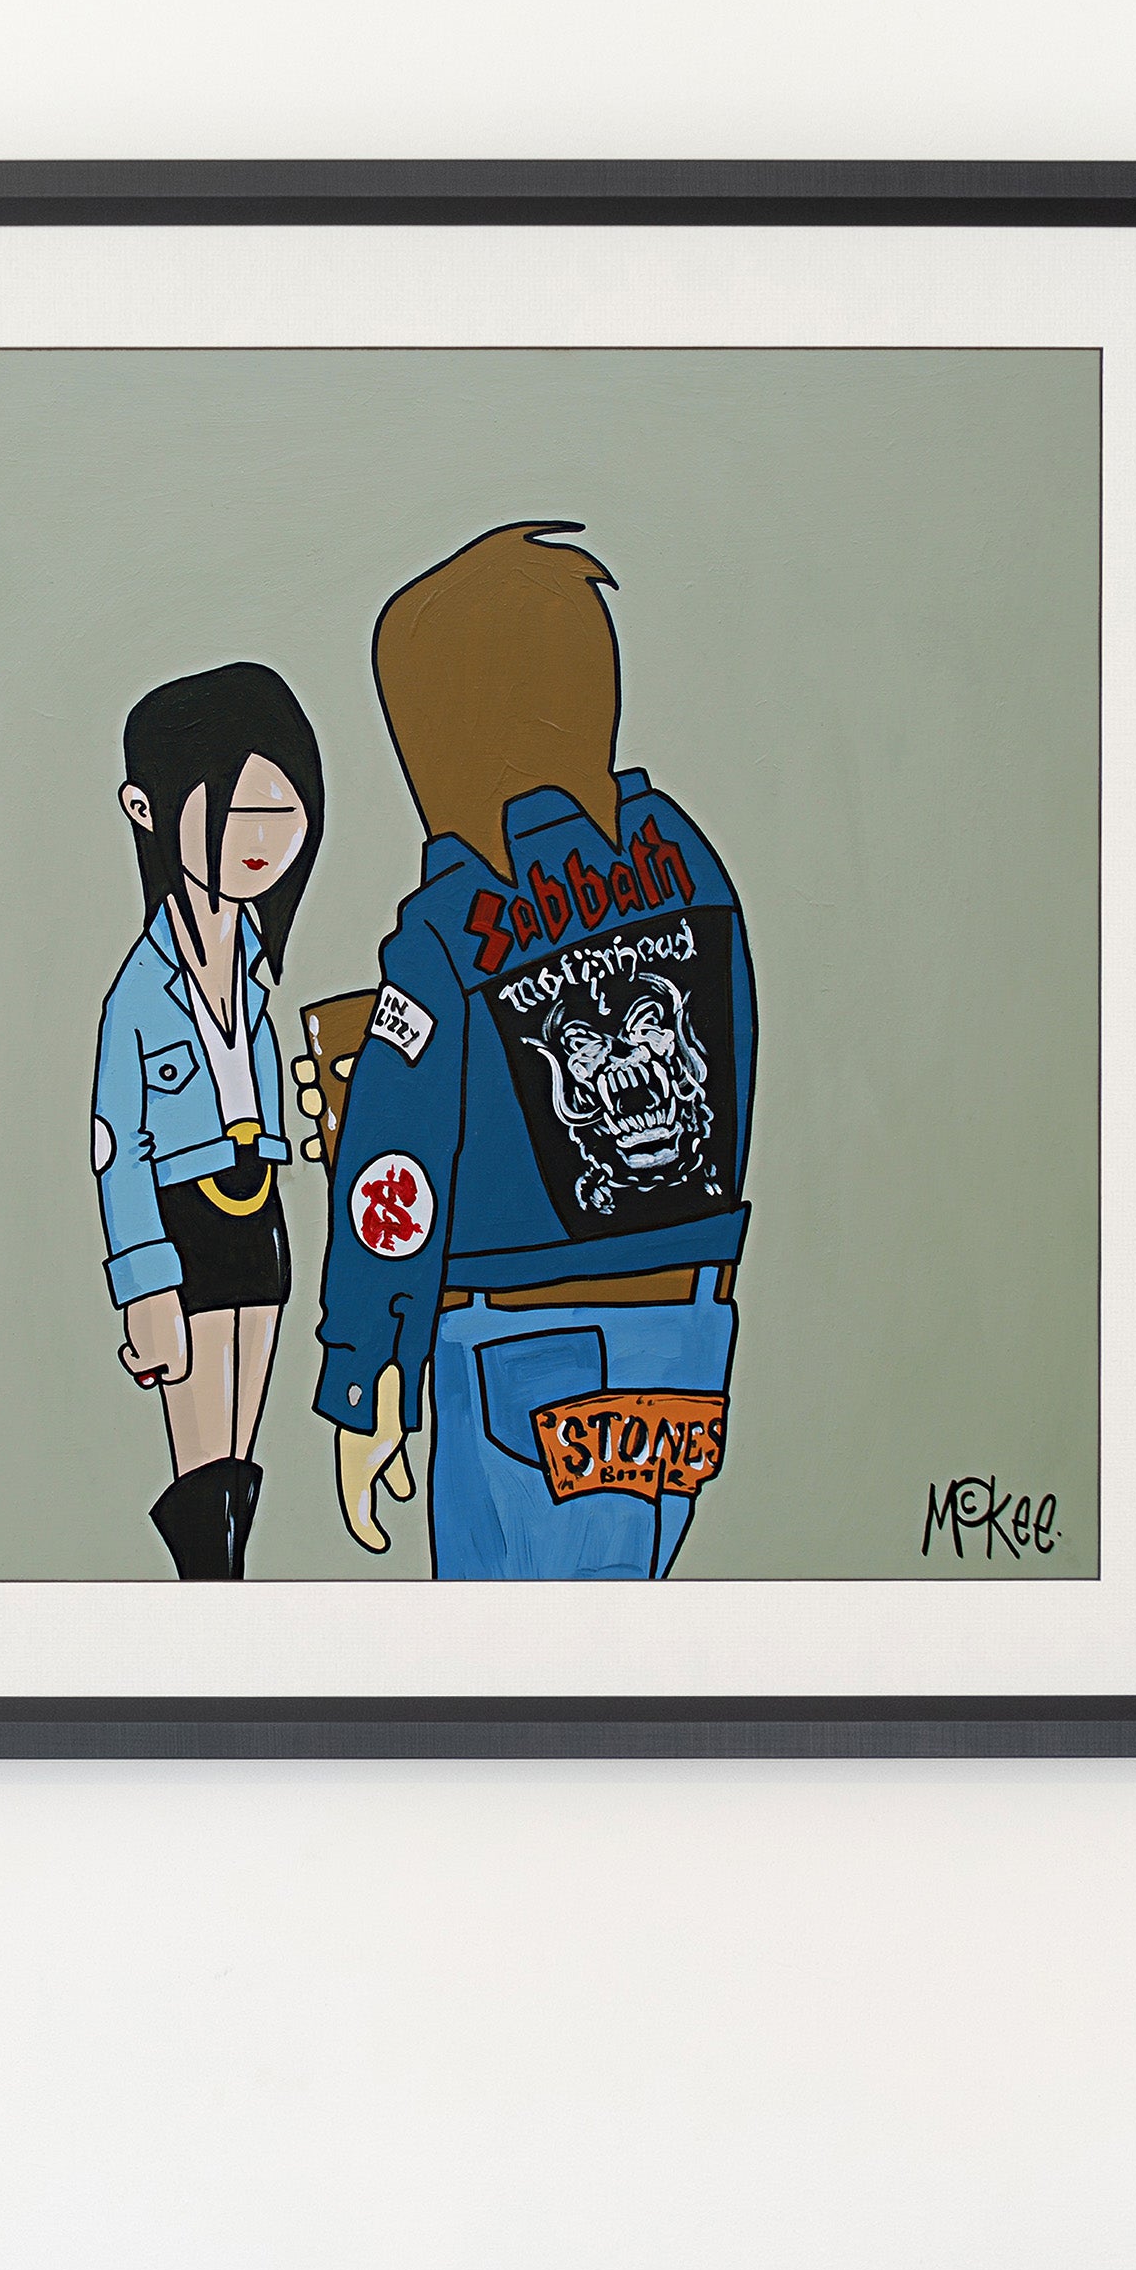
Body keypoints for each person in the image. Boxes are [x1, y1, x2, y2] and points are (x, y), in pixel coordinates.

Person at [313, 525, 757, 1578]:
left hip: (519, 1349)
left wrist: (366, 1376)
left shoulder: (446, 930)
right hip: (687, 1337)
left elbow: (395, 1168)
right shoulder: (693, 864)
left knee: (513, 1645)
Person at [90, 663, 323, 1577]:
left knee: (238, 1459)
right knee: (200, 1459)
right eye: (234, 811)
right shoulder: (138, 992)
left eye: (281, 811)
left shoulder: (254, 973)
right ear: (145, 810)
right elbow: (117, 1151)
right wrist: (145, 1288)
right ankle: (206, 1609)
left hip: (258, 1213)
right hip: (182, 1221)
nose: (261, 839)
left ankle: (228, 1597)